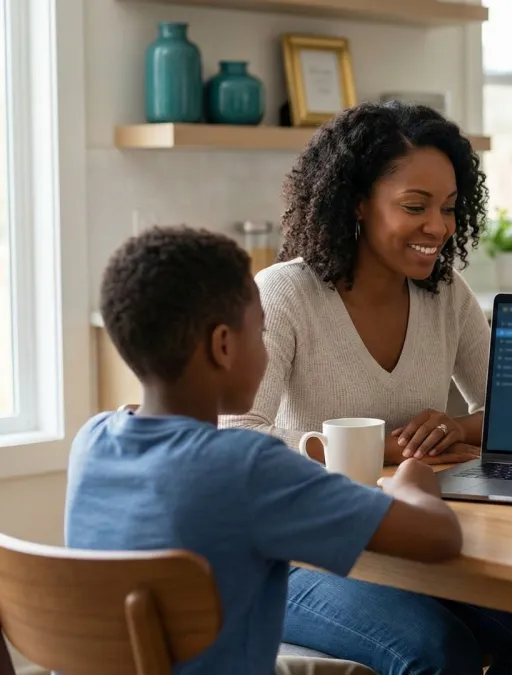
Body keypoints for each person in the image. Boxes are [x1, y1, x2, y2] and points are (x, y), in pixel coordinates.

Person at [219, 101, 512, 675]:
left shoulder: (445, 292)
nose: (438, 226)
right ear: (357, 202)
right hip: (295, 555)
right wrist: (366, 448)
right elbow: (237, 437)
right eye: (415, 206)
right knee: (437, 651)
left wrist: (455, 427)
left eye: (449, 207)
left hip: (404, 538)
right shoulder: (285, 293)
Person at [66, 226, 463, 675]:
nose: (267, 349)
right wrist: (411, 478)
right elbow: (438, 537)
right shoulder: (247, 466)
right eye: (261, 331)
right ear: (223, 346)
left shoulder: (92, 440)